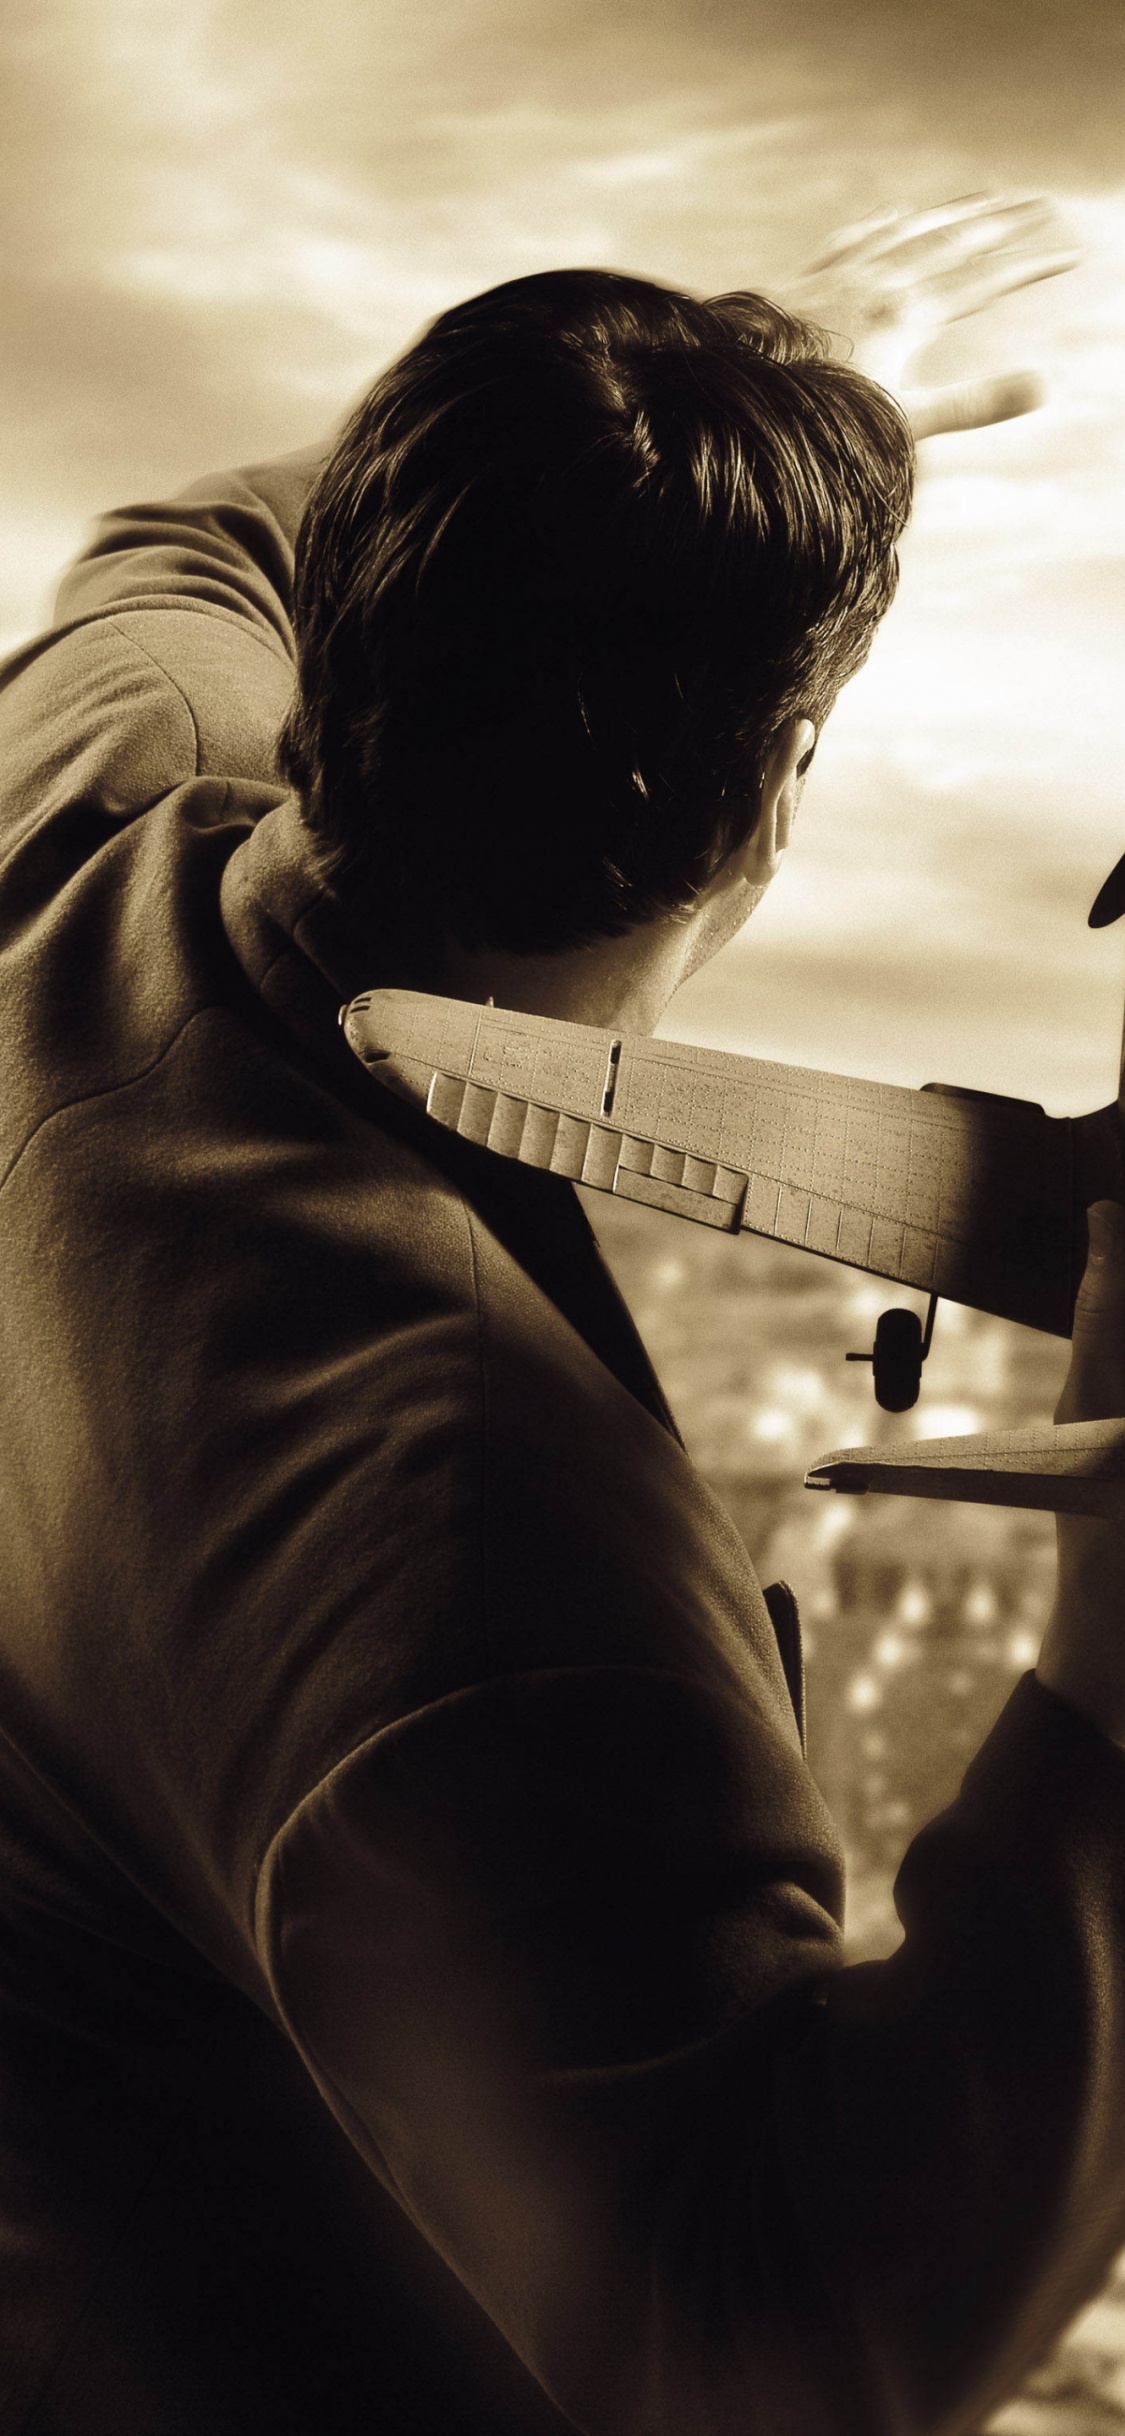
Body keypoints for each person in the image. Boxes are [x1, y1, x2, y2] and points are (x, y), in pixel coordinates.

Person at [0, 204, 1122, 2436]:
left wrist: (770, 408)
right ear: (778, 776)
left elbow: (195, 527)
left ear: (351, 644)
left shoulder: (89, 781)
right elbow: (780, 2360)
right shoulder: (454, 1537)